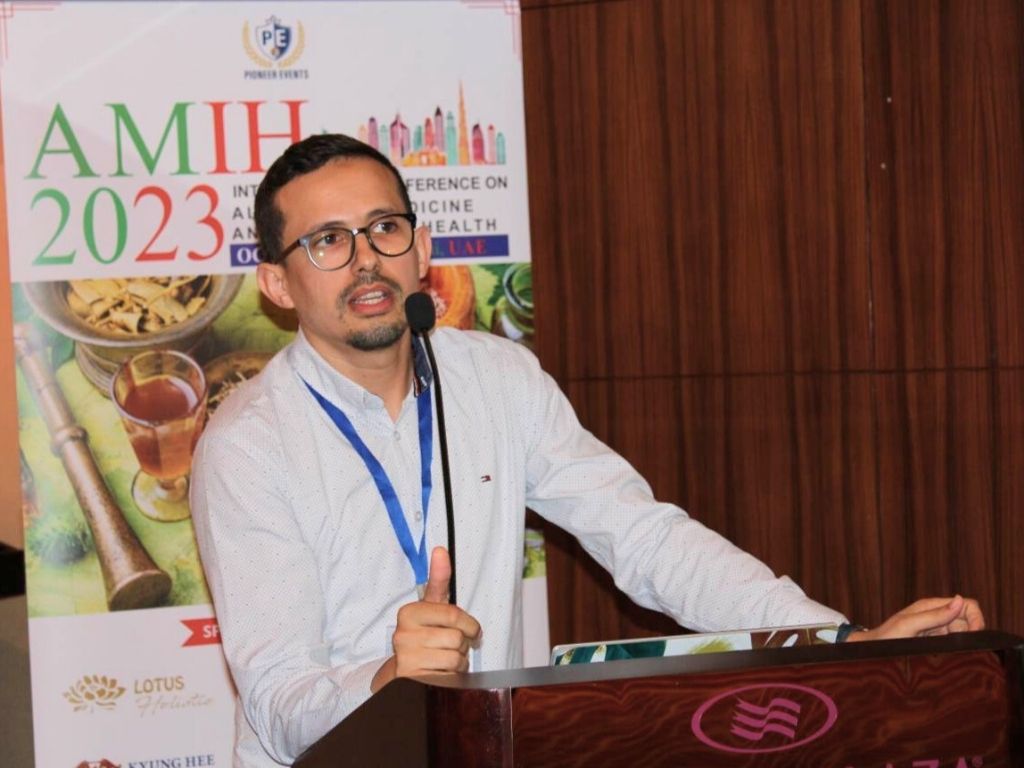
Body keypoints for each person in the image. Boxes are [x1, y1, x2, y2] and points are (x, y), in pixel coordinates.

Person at [189, 134, 984, 767]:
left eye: (384, 228)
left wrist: (843, 646)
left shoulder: (496, 377)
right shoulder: (249, 447)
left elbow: (644, 539)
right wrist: (387, 681)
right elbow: (278, 700)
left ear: (421, 248)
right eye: (327, 241)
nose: (365, 259)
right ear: (278, 284)